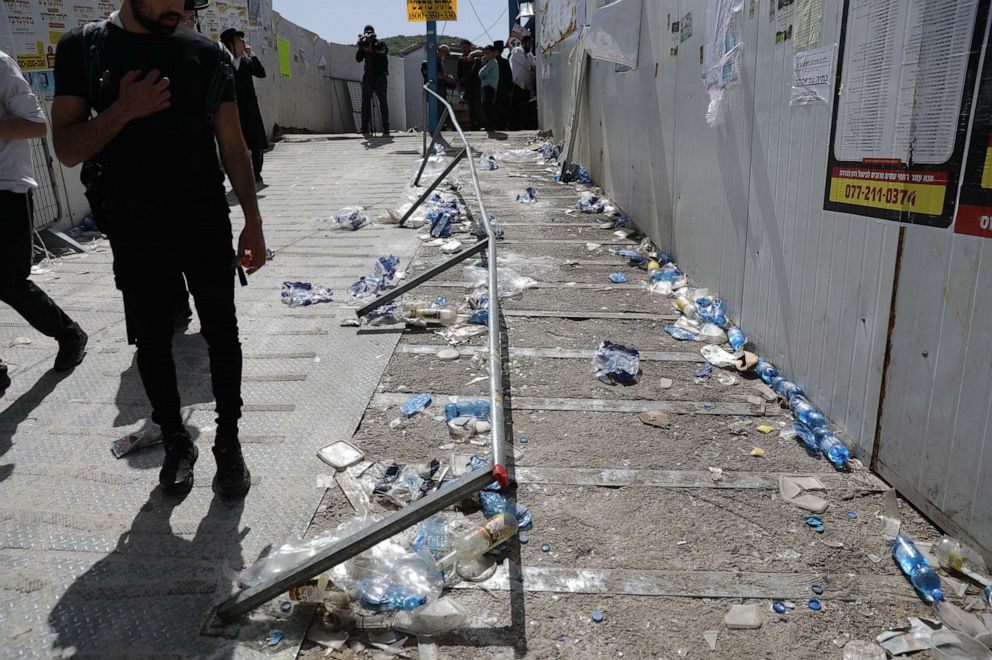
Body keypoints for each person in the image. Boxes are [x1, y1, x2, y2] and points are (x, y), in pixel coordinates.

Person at [51, 0, 267, 499]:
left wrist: (253, 221)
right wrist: (124, 110)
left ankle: (228, 443)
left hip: (203, 219)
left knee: (222, 332)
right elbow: (67, 148)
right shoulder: (84, 48)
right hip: (133, 225)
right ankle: (175, 443)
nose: (180, 7)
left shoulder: (206, 55)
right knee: (151, 340)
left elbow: (232, 145)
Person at [0, 48, 88, 399]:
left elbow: (36, 125)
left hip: (5, 187)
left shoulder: (1, 64)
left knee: (8, 281)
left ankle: (69, 334)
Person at [220, 28, 267, 183]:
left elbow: (261, 73)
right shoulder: (224, 64)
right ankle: (238, 173)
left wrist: (252, 55)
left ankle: (257, 172)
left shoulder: (247, 62)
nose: (243, 43)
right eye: (239, 41)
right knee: (236, 143)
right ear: (231, 45)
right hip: (233, 110)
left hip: (250, 109)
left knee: (255, 142)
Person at [355, 24, 389, 137]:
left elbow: (384, 54)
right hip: (368, 76)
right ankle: (364, 129)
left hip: (379, 77)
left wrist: (372, 50)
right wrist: (362, 48)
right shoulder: (364, 43)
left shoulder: (380, 44)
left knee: (383, 103)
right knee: (365, 103)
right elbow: (358, 59)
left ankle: (386, 129)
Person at [509, 35, 537, 130]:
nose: (530, 46)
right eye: (529, 44)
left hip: (526, 86)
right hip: (517, 83)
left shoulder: (529, 55)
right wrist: (533, 67)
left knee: (525, 107)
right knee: (515, 106)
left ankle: (523, 126)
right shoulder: (517, 51)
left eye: (531, 44)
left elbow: (534, 64)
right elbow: (527, 64)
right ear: (524, 43)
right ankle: (514, 126)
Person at [456, 39, 481, 130]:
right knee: (470, 106)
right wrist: (461, 85)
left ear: (469, 47)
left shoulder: (475, 56)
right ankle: (473, 125)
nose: (464, 49)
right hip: (466, 85)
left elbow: (481, 52)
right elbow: (459, 74)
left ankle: (478, 124)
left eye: (465, 47)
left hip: (476, 84)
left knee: (477, 106)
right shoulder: (460, 59)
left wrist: (472, 54)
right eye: (462, 48)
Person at [478, 45, 499, 133]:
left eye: (488, 53)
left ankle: (490, 126)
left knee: (487, 106)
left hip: (488, 86)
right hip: (489, 86)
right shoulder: (491, 62)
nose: (486, 55)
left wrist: (484, 76)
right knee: (487, 106)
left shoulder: (492, 62)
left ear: (493, 53)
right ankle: (490, 125)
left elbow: (481, 72)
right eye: (485, 53)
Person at [493, 40, 512, 131]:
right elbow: (509, 78)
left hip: (492, 89)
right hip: (503, 90)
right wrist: (510, 90)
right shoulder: (505, 62)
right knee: (503, 109)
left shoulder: (491, 62)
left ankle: (495, 126)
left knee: (494, 109)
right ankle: (502, 125)